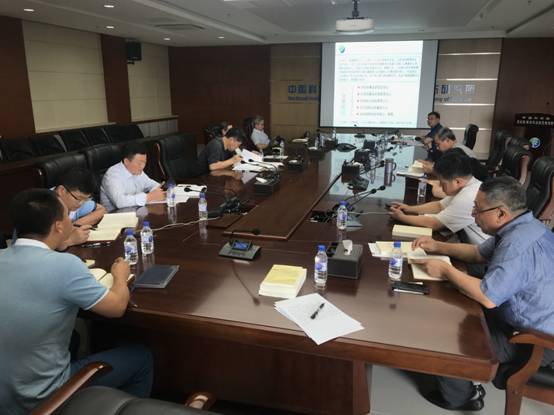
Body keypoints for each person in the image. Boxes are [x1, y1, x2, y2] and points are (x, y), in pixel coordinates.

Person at [0, 189, 153, 414]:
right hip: (41, 399)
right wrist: (120, 277)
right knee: (141, 357)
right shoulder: (64, 265)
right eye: (67, 216)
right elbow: (117, 308)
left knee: (74, 337)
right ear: (58, 226)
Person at [411, 176, 554, 411]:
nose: (473, 214)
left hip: (535, 341)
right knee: (455, 298)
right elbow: (477, 253)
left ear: (501, 213)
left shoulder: (517, 244)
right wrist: (437, 246)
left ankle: (463, 397)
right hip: (524, 316)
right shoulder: (523, 226)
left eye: (477, 209)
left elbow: (488, 297)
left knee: (446, 332)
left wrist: (446, 270)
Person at [389, 151, 488, 245]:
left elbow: (435, 224)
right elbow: (439, 206)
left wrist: (402, 217)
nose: (440, 186)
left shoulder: (467, 197)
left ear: (457, 181)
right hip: (466, 240)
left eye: (443, 183)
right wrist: (409, 208)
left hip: (478, 250)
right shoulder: (468, 186)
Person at [100, 142, 165, 211]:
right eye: (139, 163)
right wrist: (148, 197)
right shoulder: (112, 175)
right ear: (126, 161)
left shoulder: (138, 171)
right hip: (116, 214)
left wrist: (157, 192)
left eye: (144, 162)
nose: (142, 166)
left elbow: (153, 185)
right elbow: (119, 202)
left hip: (137, 211)